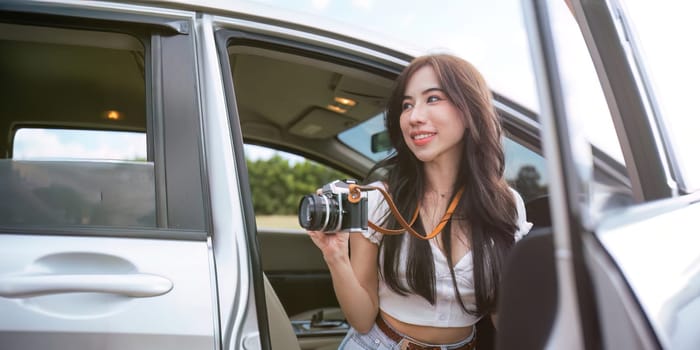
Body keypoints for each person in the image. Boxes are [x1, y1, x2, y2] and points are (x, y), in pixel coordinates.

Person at [307, 53, 532, 350]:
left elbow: (505, 320)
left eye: (433, 98)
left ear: (469, 111)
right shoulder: (379, 200)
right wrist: (335, 256)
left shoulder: (506, 205)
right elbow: (362, 319)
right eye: (407, 105)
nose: (414, 117)